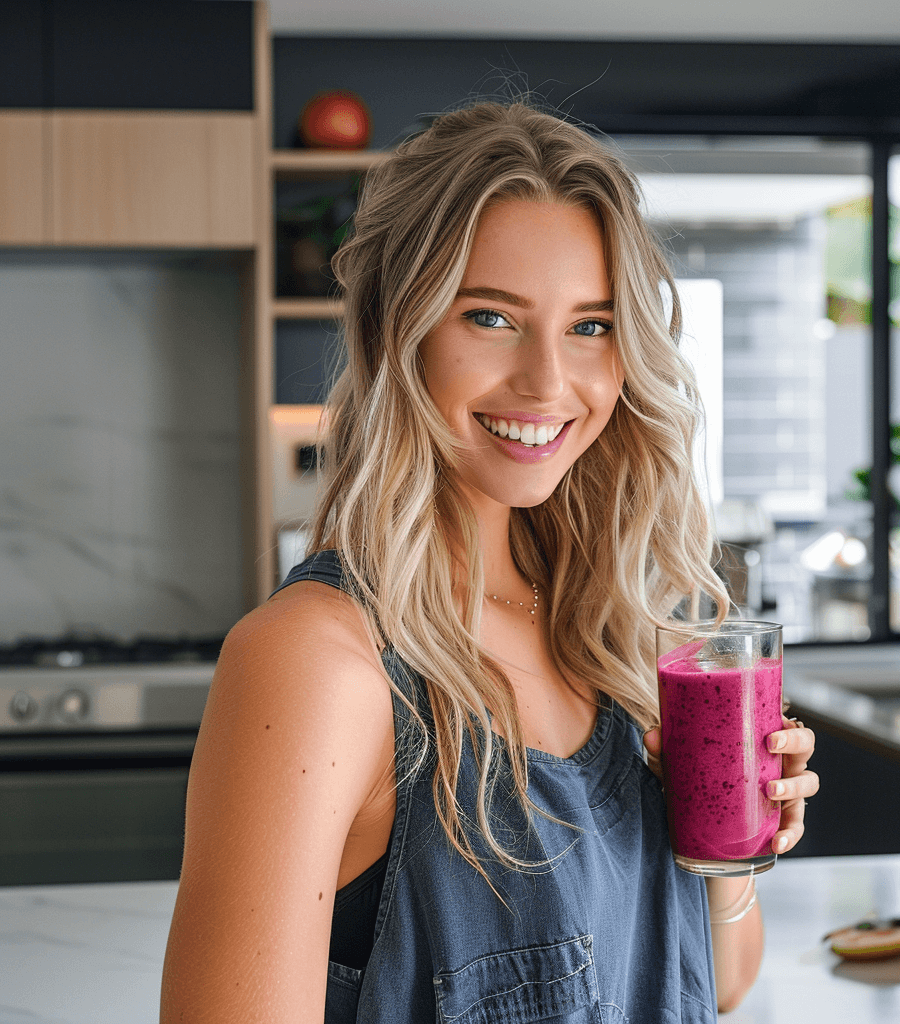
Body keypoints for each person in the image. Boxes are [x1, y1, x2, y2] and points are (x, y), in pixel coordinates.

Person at [160, 100, 818, 1023]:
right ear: (402, 329)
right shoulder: (317, 665)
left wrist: (727, 846)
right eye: (492, 317)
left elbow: (714, 979)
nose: (550, 382)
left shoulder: (610, 632)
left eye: (590, 326)